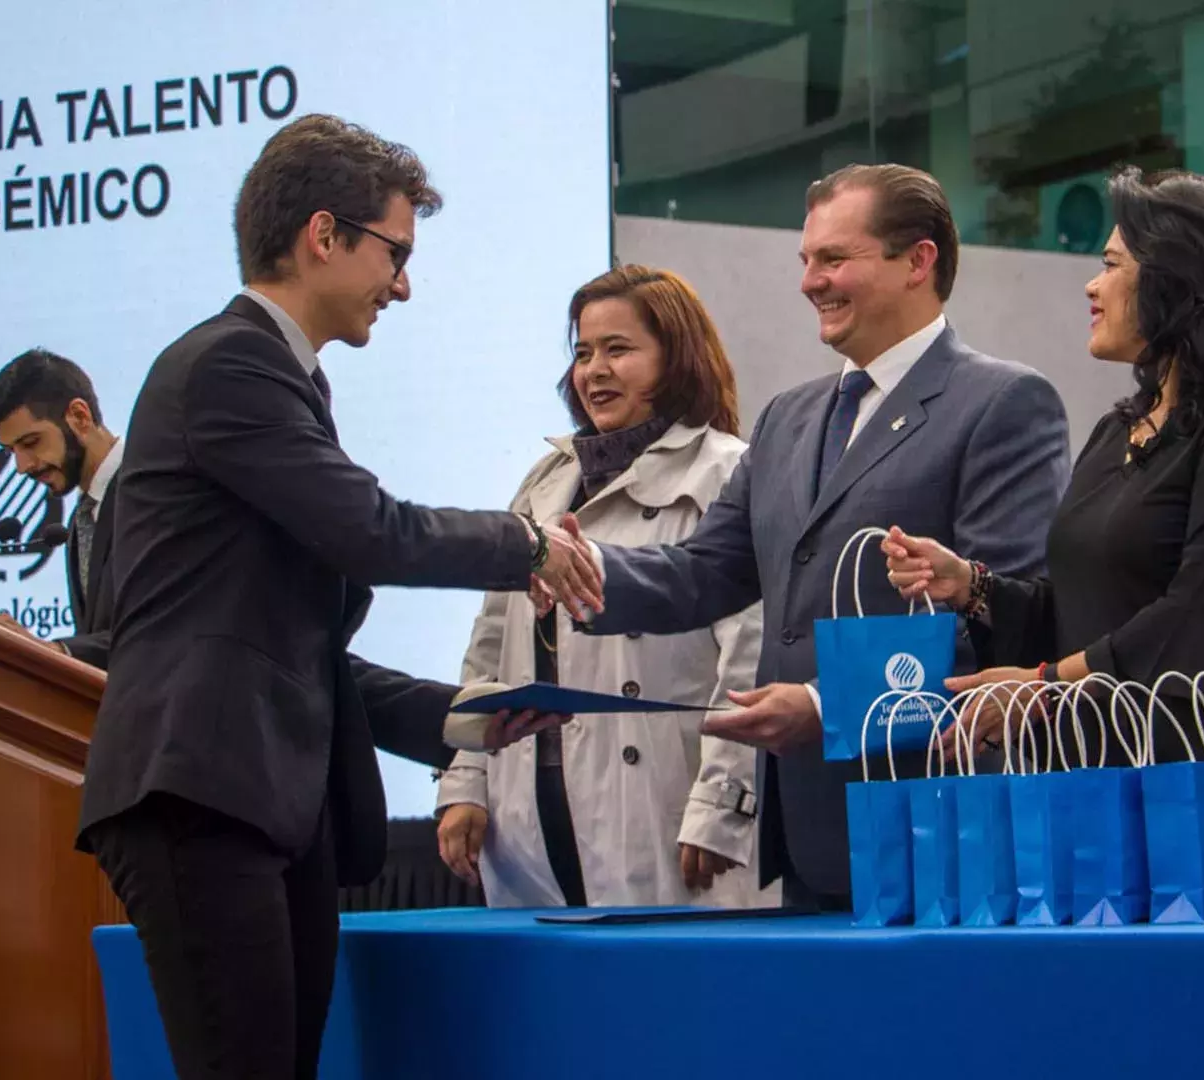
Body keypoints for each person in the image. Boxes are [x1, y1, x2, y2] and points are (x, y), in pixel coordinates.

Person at [74, 114, 603, 1079]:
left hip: (253, 793)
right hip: (201, 788)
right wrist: (524, 541)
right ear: (325, 235)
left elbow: (290, 645)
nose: (402, 283)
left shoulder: (279, 377)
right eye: (394, 252)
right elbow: (372, 528)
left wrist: (466, 716)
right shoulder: (230, 364)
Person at [558, 164, 1071, 911]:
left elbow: (1005, 619)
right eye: (806, 261)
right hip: (804, 832)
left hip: (932, 828)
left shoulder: (1004, 403)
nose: (809, 282)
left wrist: (828, 706)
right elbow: (706, 572)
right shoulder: (788, 418)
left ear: (918, 261)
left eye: (833, 259)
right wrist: (581, 568)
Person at [882, 167, 1204, 914]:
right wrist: (972, 585)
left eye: (1110, 265)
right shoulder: (1114, 432)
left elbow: (1198, 622)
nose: (1090, 287)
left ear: (1177, 283)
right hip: (1107, 800)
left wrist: (1042, 687)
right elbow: (1084, 612)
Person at [435, 265, 769, 908]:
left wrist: (723, 802)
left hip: (664, 810)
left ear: (678, 359)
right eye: (584, 352)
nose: (594, 371)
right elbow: (491, 645)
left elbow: (750, 660)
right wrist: (466, 778)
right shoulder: (546, 478)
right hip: (529, 809)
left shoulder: (727, 469)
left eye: (619, 349)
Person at [0, 348, 121, 666]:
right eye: (11, 450)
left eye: (30, 443)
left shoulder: (156, 492)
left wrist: (57, 651)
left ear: (80, 417)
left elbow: (167, 629)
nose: (22, 466)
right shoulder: (81, 518)